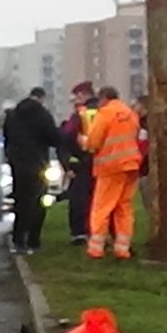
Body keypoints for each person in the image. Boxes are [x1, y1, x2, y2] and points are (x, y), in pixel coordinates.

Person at [1, 87, 69, 254]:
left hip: (18, 166)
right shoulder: (43, 115)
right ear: (42, 98)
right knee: (38, 203)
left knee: (21, 202)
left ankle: (18, 239)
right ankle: (33, 240)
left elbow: (7, 138)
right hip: (38, 165)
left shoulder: (12, 115)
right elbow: (55, 138)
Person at [82, 85, 144, 259]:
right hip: (131, 165)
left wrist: (84, 141)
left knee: (102, 207)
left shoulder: (105, 114)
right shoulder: (130, 113)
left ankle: (96, 248)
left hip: (111, 167)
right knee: (124, 207)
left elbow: (94, 141)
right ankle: (122, 248)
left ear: (103, 99)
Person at [57, 82, 99, 244]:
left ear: (83, 95)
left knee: (79, 199)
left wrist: (67, 164)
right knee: (98, 200)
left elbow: (66, 137)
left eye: (76, 97)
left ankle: (80, 233)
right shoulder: (104, 111)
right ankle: (99, 232)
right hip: (102, 163)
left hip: (81, 164)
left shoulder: (80, 115)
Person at [133, 94, 156, 221]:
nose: (134, 108)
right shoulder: (140, 123)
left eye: (136, 105)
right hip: (143, 169)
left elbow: (144, 147)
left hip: (146, 168)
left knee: (150, 201)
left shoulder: (146, 124)